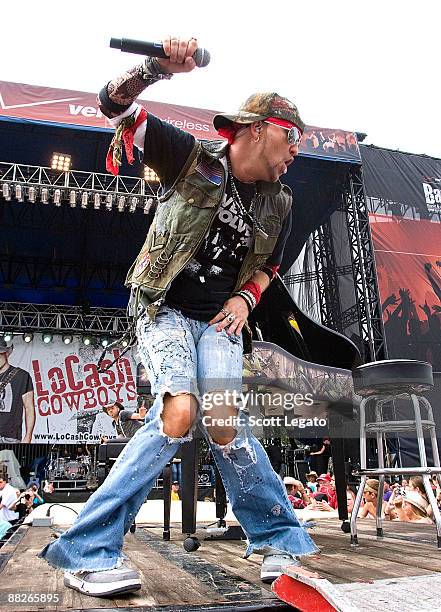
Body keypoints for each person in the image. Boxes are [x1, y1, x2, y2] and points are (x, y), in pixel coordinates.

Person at [39, 35, 318, 596]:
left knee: (225, 423)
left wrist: (245, 299)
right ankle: (87, 550)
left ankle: (278, 539)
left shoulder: (280, 202)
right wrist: (156, 68)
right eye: (290, 138)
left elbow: (270, 265)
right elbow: (114, 105)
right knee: (178, 412)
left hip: (218, 320)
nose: (295, 152)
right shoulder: (190, 158)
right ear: (256, 128)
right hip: (162, 306)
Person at [0, 338, 35, 443]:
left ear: (6, 353)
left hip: (11, 437)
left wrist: (28, 435)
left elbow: (29, 407)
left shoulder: (21, 376)